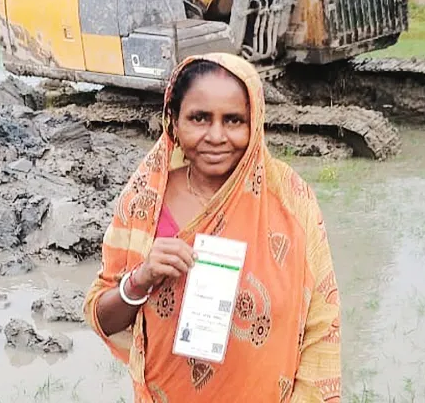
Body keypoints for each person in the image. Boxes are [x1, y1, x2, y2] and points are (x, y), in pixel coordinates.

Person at [82, 52, 342, 402]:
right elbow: (102, 317)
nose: (216, 136)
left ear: (255, 123)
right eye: (199, 118)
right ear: (173, 121)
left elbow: (321, 324)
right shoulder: (146, 200)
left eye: (234, 120)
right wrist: (140, 279)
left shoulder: (290, 200)